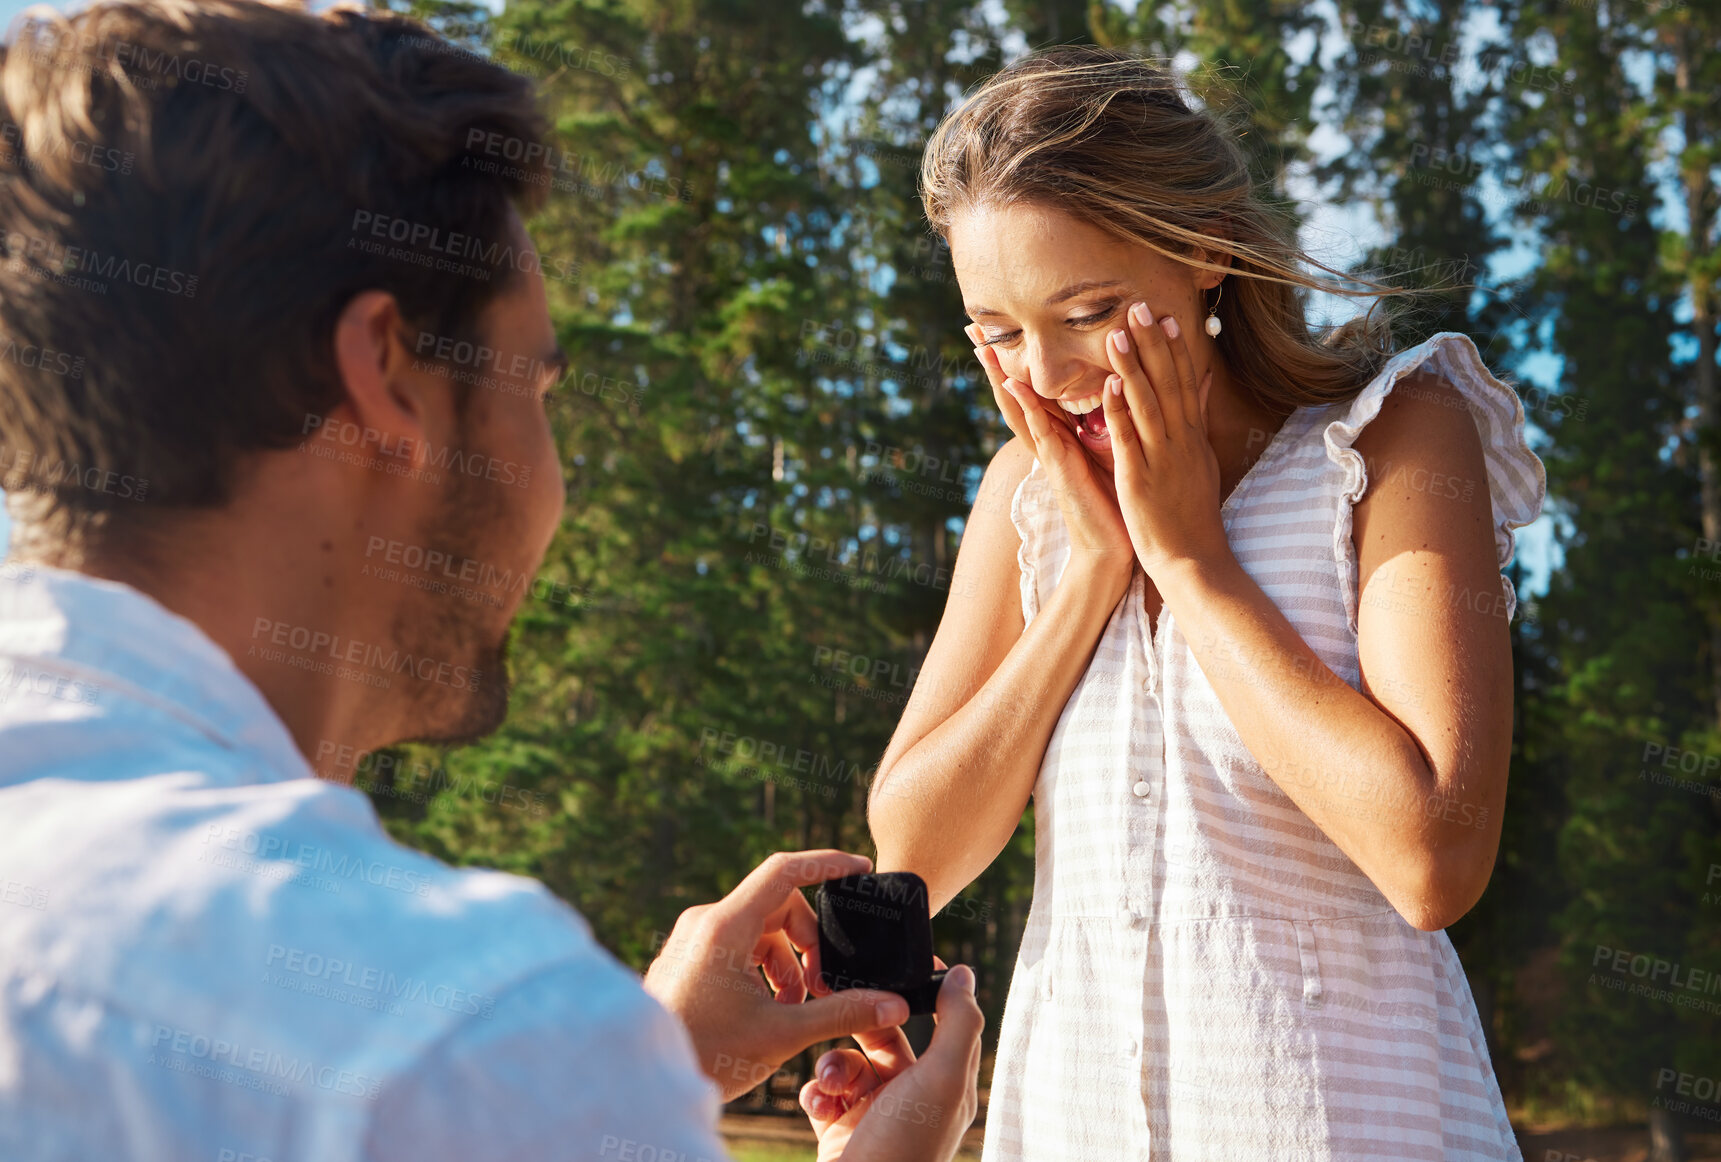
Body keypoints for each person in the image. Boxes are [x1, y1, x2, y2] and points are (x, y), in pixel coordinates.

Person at [0, 2, 980, 1159]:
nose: (550, 477)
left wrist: (636, 1073)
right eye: (535, 389)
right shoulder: (454, 1026)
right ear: (387, 377)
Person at [868, 46, 1546, 1161]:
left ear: (1205, 253)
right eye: (994, 330)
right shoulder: (1025, 500)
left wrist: (1189, 563)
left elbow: (1431, 858)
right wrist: (1088, 575)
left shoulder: (1389, 439)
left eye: (1086, 311)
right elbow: (912, 847)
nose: (1040, 373)